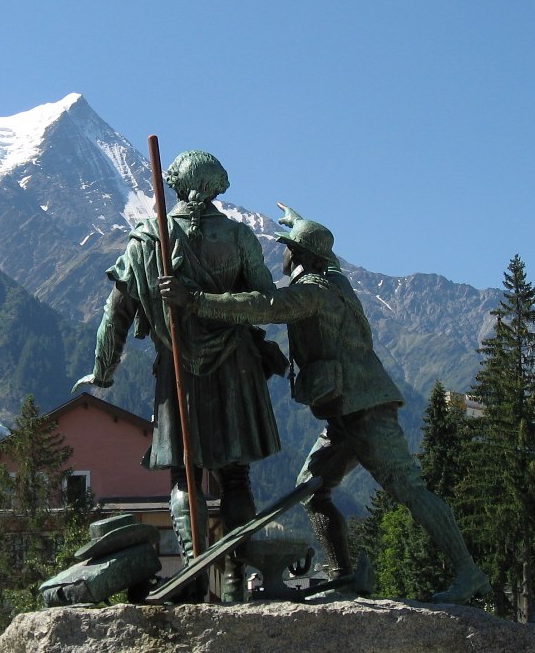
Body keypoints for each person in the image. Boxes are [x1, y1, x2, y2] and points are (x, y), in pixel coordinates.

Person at [158, 203, 490, 604]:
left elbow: (261, 306)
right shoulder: (335, 280)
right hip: (343, 416)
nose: (280, 252)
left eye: (287, 247)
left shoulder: (312, 293)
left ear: (298, 255)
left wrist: (194, 300)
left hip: (363, 411)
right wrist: (300, 224)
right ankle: (343, 577)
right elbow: (325, 256)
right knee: (313, 489)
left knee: (410, 489)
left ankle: (468, 572)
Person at [74, 150, 285, 601]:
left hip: (178, 371)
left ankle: (194, 569)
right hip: (237, 366)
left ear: (179, 185)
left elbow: (117, 314)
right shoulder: (240, 236)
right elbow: (267, 303)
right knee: (235, 475)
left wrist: (102, 371)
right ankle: (233, 572)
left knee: (183, 476)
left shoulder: (149, 240)